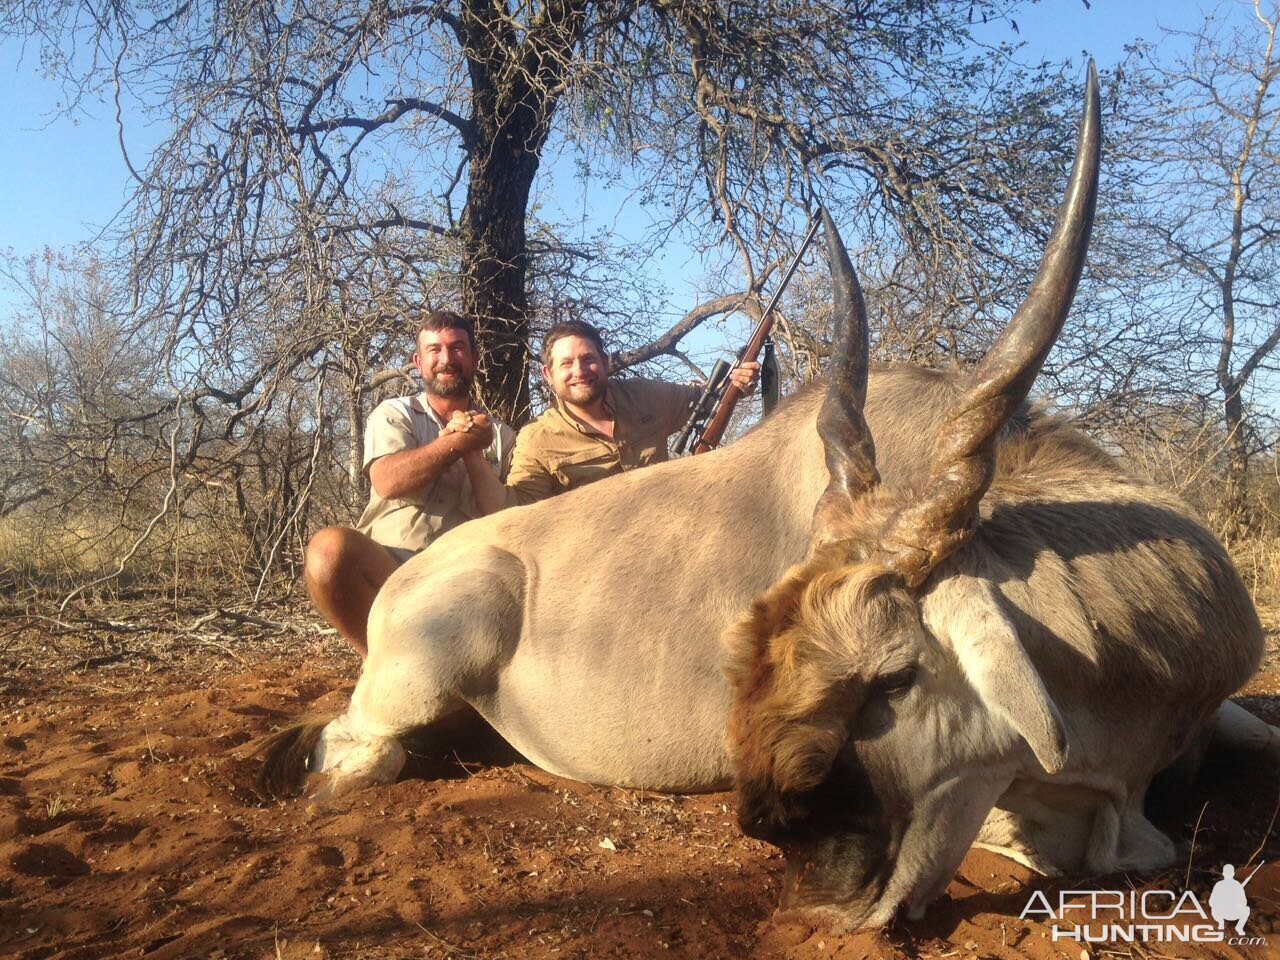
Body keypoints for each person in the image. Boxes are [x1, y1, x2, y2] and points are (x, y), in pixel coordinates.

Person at [304, 310, 514, 657]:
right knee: (328, 550)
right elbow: (387, 481)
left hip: (467, 581)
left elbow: (507, 517)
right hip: (390, 572)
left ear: (475, 358)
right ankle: (375, 664)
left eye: (458, 348)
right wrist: (454, 444)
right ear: (419, 361)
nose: (446, 359)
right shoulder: (394, 413)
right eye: (435, 350)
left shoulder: (503, 436)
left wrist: (475, 452)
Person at [466, 319, 758, 507]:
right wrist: (471, 454)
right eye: (566, 364)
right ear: (548, 374)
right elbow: (515, 510)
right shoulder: (536, 439)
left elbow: (708, 398)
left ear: (605, 363)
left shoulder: (644, 395)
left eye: (588, 359)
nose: (579, 371)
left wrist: (738, 383)